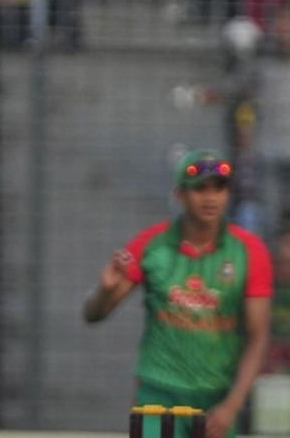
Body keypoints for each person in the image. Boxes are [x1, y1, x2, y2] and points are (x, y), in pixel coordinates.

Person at [83, 149, 273, 438]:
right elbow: (93, 315)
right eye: (200, 189)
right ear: (180, 195)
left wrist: (231, 406)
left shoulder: (250, 251)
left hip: (216, 400)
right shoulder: (152, 245)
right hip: (158, 396)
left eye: (219, 188)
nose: (211, 198)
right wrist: (105, 291)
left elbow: (258, 337)